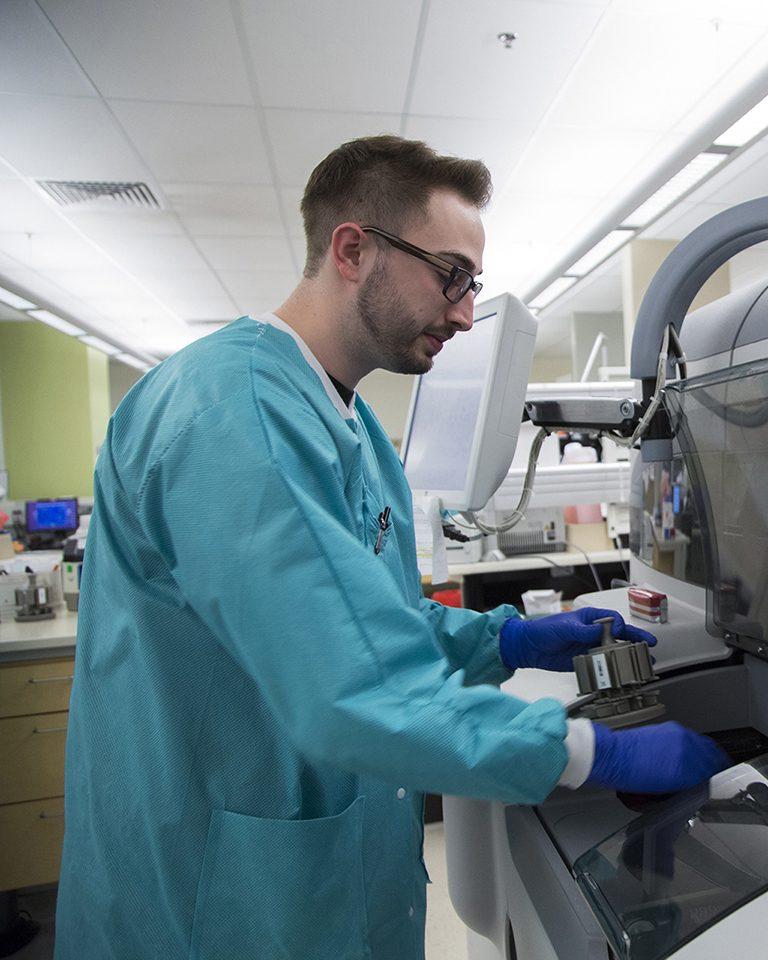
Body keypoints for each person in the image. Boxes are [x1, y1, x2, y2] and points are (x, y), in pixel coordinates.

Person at [54, 135, 728, 960]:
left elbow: (368, 624)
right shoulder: (231, 414)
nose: (465, 311)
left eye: (473, 284)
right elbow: (352, 685)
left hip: (322, 879)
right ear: (352, 250)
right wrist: (590, 750)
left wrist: (502, 637)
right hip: (215, 899)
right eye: (451, 275)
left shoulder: (351, 426)